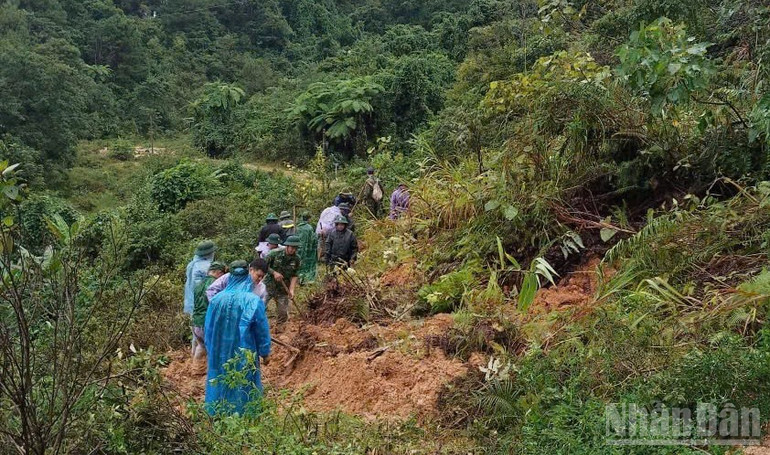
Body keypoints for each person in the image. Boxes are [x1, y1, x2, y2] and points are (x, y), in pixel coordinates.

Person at [204, 259, 271, 416]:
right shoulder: (253, 301)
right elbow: (262, 330)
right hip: (245, 348)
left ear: (230, 275)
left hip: (219, 349)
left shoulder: (216, 301)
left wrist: (211, 348)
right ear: (248, 272)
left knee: (219, 375)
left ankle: (217, 412)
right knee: (244, 378)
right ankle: (244, 414)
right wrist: (265, 352)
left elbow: (209, 329)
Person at [191, 261, 227, 366]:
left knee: (201, 346)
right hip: (208, 323)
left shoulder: (199, 285)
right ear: (219, 273)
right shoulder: (216, 285)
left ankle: (196, 369)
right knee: (216, 347)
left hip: (195, 322)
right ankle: (216, 372)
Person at [263, 235, 302, 331]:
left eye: (295, 248)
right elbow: (263, 266)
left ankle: (279, 330)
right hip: (268, 285)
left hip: (283, 289)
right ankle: (258, 326)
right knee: (259, 306)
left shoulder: (297, 259)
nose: (293, 250)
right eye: (292, 247)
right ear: (287, 246)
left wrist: (291, 290)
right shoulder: (274, 254)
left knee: (283, 312)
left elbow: (294, 275)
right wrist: (274, 273)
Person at [184, 240, 216, 348]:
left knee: (195, 331)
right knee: (203, 333)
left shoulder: (192, 264)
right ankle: (198, 360)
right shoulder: (207, 267)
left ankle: (194, 357)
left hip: (192, 301)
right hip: (203, 304)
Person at [295, 211, 318, 284]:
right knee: (308, 265)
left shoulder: (298, 227)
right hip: (308, 250)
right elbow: (313, 239)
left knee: (299, 264)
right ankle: (307, 280)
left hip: (298, 249)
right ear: (309, 219)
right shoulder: (309, 228)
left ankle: (299, 279)